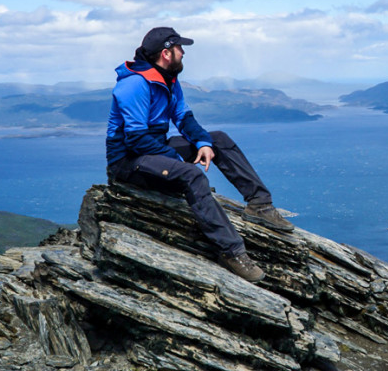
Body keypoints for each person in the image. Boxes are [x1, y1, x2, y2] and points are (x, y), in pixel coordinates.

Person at [106, 27, 294, 282]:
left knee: (219, 140)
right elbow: (136, 139)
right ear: (166, 53)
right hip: (129, 163)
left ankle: (259, 204)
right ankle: (231, 252)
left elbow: (183, 117)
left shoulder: (167, 79)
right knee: (192, 176)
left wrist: (204, 143)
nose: (183, 52)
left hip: (152, 149)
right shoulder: (135, 85)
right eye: (180, 48)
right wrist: (175, 160)